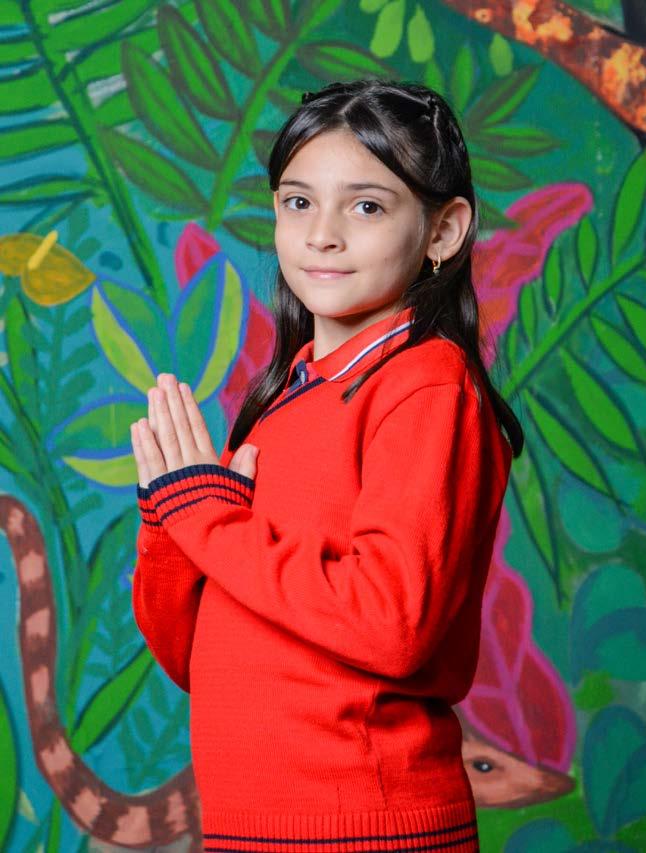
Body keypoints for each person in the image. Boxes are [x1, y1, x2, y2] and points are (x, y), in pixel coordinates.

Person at [130, 78, 523, 853]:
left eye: (366, 206)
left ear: (444, 231)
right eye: (298, 202)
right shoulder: (284, 399)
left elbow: (391, 624)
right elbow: (195, 654)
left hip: (367, 829)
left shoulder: (426, 385)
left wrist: (206, 517)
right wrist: (170, 516)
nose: (322, 235)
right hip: (252, 827)